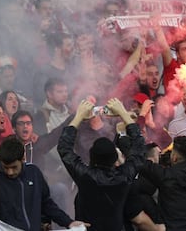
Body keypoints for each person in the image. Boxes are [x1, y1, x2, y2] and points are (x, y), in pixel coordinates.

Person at [57, 98, 146, 231]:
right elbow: (139, 148)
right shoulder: (124, 176)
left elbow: (64, 148)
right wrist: (123, 113)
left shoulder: (84, 176)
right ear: (116, 158)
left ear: (91, 156)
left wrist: (79, 116)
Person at [0, 137, 87, 230]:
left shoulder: (34, 172)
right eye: (6, 168)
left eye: (14, 167)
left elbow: (46, 203)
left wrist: (69, 222)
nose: (10, 172)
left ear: (22, 159)